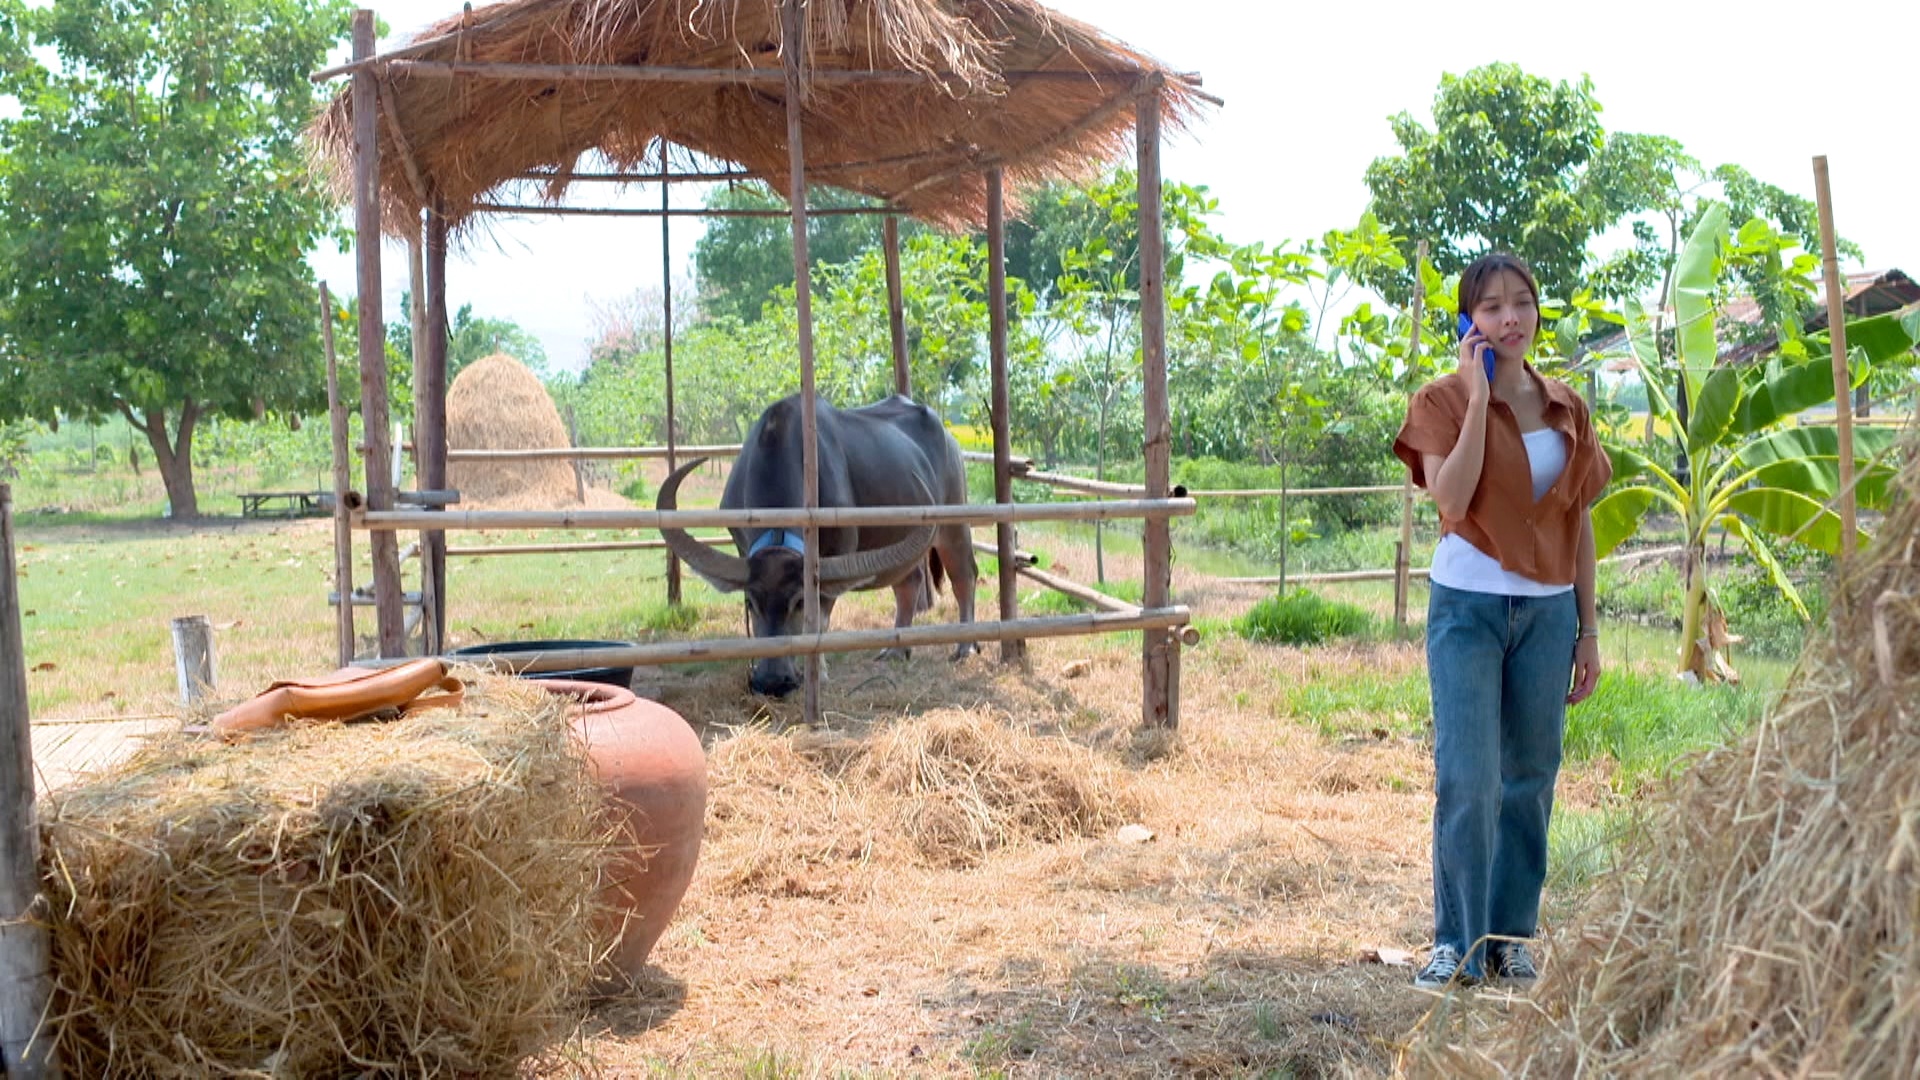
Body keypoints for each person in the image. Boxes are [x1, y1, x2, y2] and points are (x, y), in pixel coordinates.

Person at [1392, 252, 1611, 990]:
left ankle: (1510, 938)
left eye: (1522, 302)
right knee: (1468, 778)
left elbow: (1579, 520)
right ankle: (1457, 941)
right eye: (1490, 306)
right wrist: (1480, 396)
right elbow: (1451, 502)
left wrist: (1588, 629)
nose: (1510, 317)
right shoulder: (1440, 401)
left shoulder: (1567, 406)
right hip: (1468, 608)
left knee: (1530, 778)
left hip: (1549, 615)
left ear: (1537, 311)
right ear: (1469, 320)